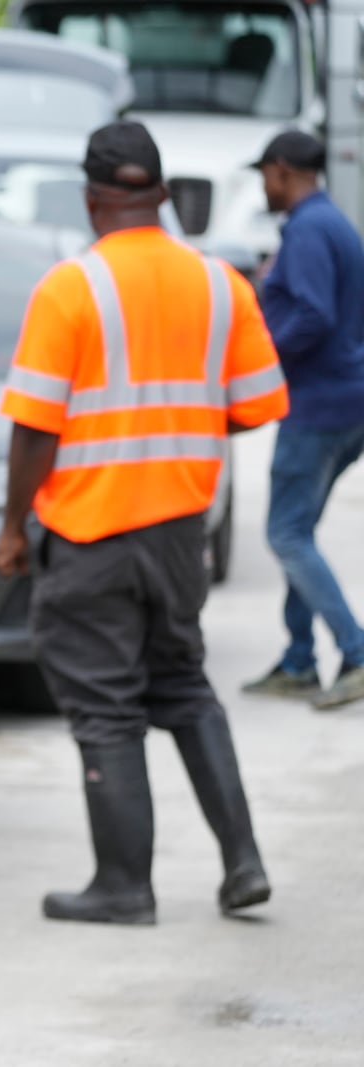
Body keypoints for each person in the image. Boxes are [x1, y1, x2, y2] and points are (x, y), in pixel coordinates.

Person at [0, 121, 289, 926]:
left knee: (107, 708)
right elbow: (258, 403)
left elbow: (34, 427)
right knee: (186, 686)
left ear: (93, 201)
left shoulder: (69, 288)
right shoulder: (222, 283)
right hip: (180, 533)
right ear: (161, 195)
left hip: (90, 536)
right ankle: (244, 863)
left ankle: (124, 884)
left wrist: (15, 528)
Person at [242, 129, 364, 710]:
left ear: (284, 170)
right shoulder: (328, 224)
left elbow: (313, 316)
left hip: (319, 407)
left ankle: (357, 652)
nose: (263, 185)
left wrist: (261, 365)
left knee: (286, 534)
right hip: (343, 401)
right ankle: (297, 661)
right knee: (299, 531)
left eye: (265, 173)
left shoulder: (312, 231)